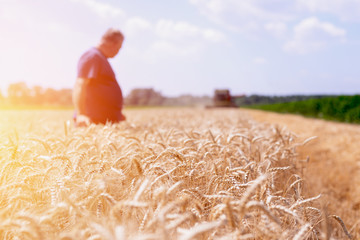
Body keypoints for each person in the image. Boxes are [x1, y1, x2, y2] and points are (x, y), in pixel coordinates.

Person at [73, 28, 126, 126]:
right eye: (119, 48)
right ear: (112, 44)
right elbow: (80, 84)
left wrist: (115, 112)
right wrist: (81, 114)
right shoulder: (92, 56)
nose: (118, 52)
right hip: (91, 122)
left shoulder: (100, 58)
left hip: (103, 122)